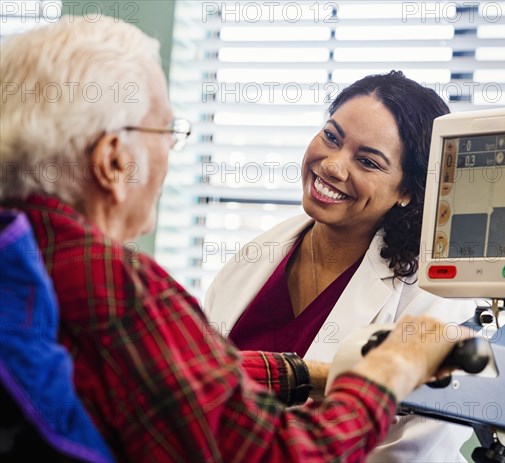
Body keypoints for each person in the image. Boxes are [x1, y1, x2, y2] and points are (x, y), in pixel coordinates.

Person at [0, 16, 469, 463]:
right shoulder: (108, 280)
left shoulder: (28, 255)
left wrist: (311, 375)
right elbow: (279, 454)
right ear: (113, 162)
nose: (332, 165)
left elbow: (174, 377)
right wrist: (386, 371)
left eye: (369, 161)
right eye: (167, 131)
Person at [205, 72, 476, 462]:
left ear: (408, 191)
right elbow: (202, 388)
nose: (332, 166)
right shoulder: (258, 256)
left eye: (367, 161)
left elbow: (406, 452)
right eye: (332, 137)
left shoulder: (436, 297)